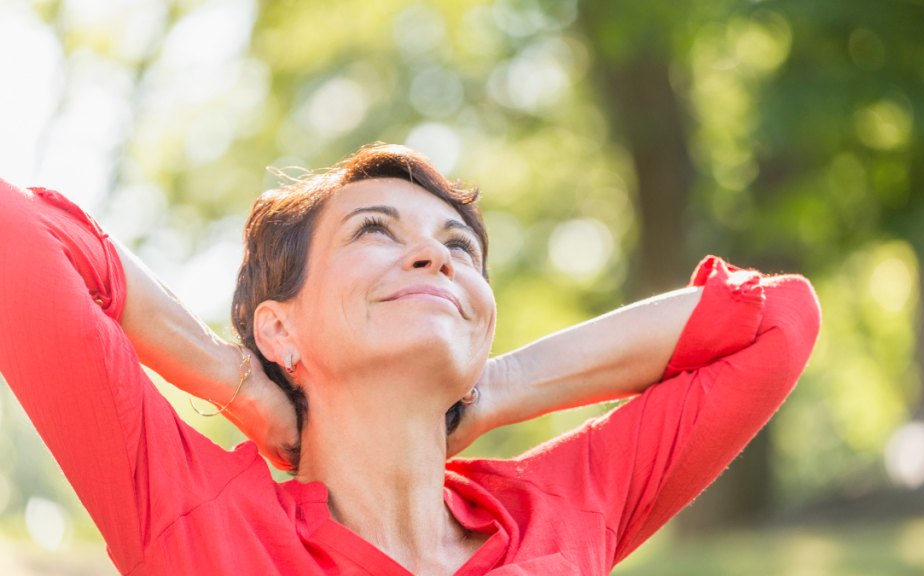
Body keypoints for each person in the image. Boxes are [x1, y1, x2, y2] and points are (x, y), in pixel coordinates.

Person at [0, 143, 820, 575]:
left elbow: (777, 321)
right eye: (376, 231)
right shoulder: (198, 521)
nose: (436, 258)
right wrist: (238, 382)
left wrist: (492, 387)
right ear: (282, 331)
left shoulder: (558, 514)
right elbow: (16, 231)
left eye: (458, 248)